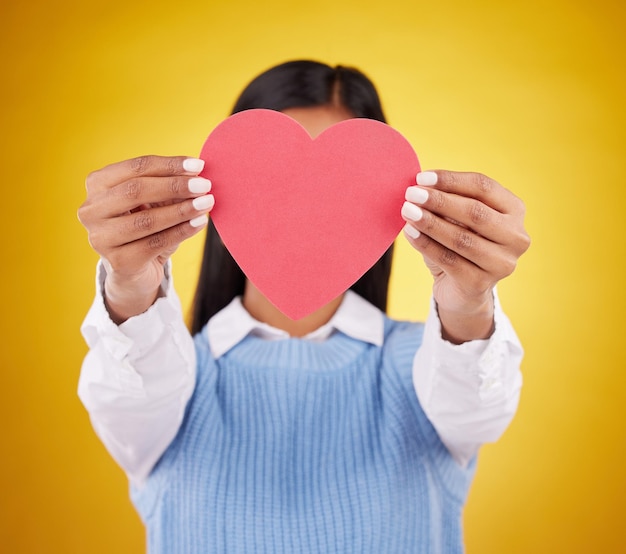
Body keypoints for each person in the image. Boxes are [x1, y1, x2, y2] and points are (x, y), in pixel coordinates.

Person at [77, 60, 529, 553]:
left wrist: (468, 302)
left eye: (340, 185)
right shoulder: (172, 379)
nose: (306, 208)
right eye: (273, 179)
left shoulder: (424, 364)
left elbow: (477, 406)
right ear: (218, 191)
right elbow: (130, 391)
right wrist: (129, 287)